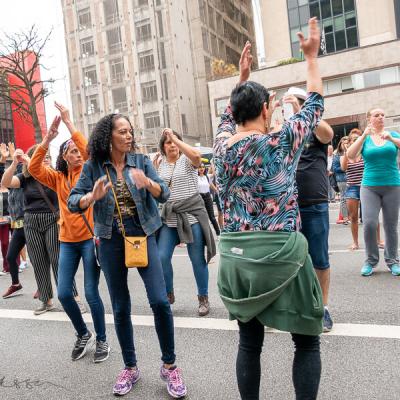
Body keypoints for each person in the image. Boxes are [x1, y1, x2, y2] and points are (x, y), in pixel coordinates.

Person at [214, 18, 324, 400]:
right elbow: (315, 104)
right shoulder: (282, 140)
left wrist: (242, 78)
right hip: (281, 254)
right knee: (307, 341)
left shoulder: (222, 146)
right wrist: (310, 57)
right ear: (266, 108)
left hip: (237, 258)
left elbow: (227, 118)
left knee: (249, 343)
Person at [68, 113, 187, 398]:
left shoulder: (142, 161)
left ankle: (169, 366)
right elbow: (74, 201)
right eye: (122, 131)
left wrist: (149, 184)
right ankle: (130, 366)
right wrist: (90, 198)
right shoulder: (93, 167)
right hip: (110, 241)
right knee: (120, 307)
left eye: (130, 131)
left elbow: (165, 194)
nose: (129, 136)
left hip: (143, 234)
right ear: (108, 135)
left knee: (160, 301)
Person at [28, 102, 109, 362]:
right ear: (63, 157)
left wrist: (68, 122)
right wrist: (48, 139)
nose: (76, 153)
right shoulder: (57, 178)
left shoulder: (87, 170)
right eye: (71, 151)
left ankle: (103, 340)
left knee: (91, 293)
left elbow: (89, 150)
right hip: (67, 242)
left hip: (88, 240)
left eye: (77, 151)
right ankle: (82, 333)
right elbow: (32, 168)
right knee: (63, 293)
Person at [283, 85, 334, 332]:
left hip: (315, 202)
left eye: (303, 100)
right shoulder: (288, 131)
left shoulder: (316, 128)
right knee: (291, 260)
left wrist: (302, 110)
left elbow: (328, 134)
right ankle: (297, 306)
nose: (297, 104)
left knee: (320, 259)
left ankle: (323, 308)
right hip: (288, 206)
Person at [1, 146, 68, 314]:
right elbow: (5, 182)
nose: (46, 159)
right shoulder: (25, 177)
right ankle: (46, 300)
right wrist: (15, 162)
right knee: (38, 261)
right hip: (30, 221)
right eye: (41, 156)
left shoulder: (55, 174)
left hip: (52, 219)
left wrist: (33, 162)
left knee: (57, 260)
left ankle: (71, 298)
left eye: (48, 156)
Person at [157, 128, 216, 316]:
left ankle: (203, 298)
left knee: (197, 259)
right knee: (161, 257)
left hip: (191, 216)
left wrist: (175, 137)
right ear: (162, 147)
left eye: (174, 141)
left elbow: (198, 157)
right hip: (170, 217)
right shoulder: (160, 164)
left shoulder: (188, 160)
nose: (172, 144)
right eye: (168, 142)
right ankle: (168, 294)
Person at [346, 108, 400, 276]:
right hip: (369, 186)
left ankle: (392, 260)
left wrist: (391, 138)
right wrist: (363, 136)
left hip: (392, 185)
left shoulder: (393, 135)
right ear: (369, 119)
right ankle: (370, 260)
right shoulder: (366, 138)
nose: (381, 117)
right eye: (377, 115)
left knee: (391, 225)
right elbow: (350, 155)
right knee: (369, 223)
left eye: (383, 115)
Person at [340, 133, 364, 250]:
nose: (355, 141)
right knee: (353, 217)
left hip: (366, 186)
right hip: (352, 188)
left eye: (358, 139)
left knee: (371, 217)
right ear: (349, 142)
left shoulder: (365, 153)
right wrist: (346, 152)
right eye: (353, 139)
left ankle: (378, 239)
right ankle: (355, 242)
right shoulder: (345, 155)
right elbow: (343, 168)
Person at [198, 163, 220, 236]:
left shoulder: (207, 177)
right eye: (200, 167)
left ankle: (218, 233)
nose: (201, 168)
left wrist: (212, 163)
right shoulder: (195, 177)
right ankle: (204, 235)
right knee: (202, 218)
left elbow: (213, 175)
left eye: (203, 167)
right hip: (199, 198)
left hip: (207, 197)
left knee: (212, 217)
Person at [332, 137, 349, 224]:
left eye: (347, 143)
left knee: (351, 198)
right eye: (344, 143)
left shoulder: (350, 152)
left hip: (351, 178)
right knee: (344, 198)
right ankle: (345, 218)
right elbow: (334, 168)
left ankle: (350, 216)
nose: (346, 145)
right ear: (340, 144)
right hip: (342, 179)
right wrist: (344, 168)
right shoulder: (337, 154)